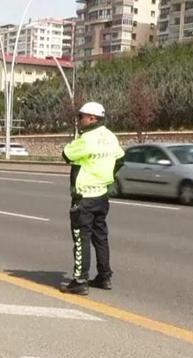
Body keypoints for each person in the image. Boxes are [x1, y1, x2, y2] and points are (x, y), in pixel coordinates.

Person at [60, 102, 125, 296]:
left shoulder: (86, 139)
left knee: (81, 239)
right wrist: (107, 175)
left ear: (92, 118)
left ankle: (80, 280)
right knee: (101, 237)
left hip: (85, 196)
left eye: (82, 116)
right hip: (102, 195)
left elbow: (66, 154)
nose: (79, 120)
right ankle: (104, 276)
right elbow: (120, 159)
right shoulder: (110, 136)